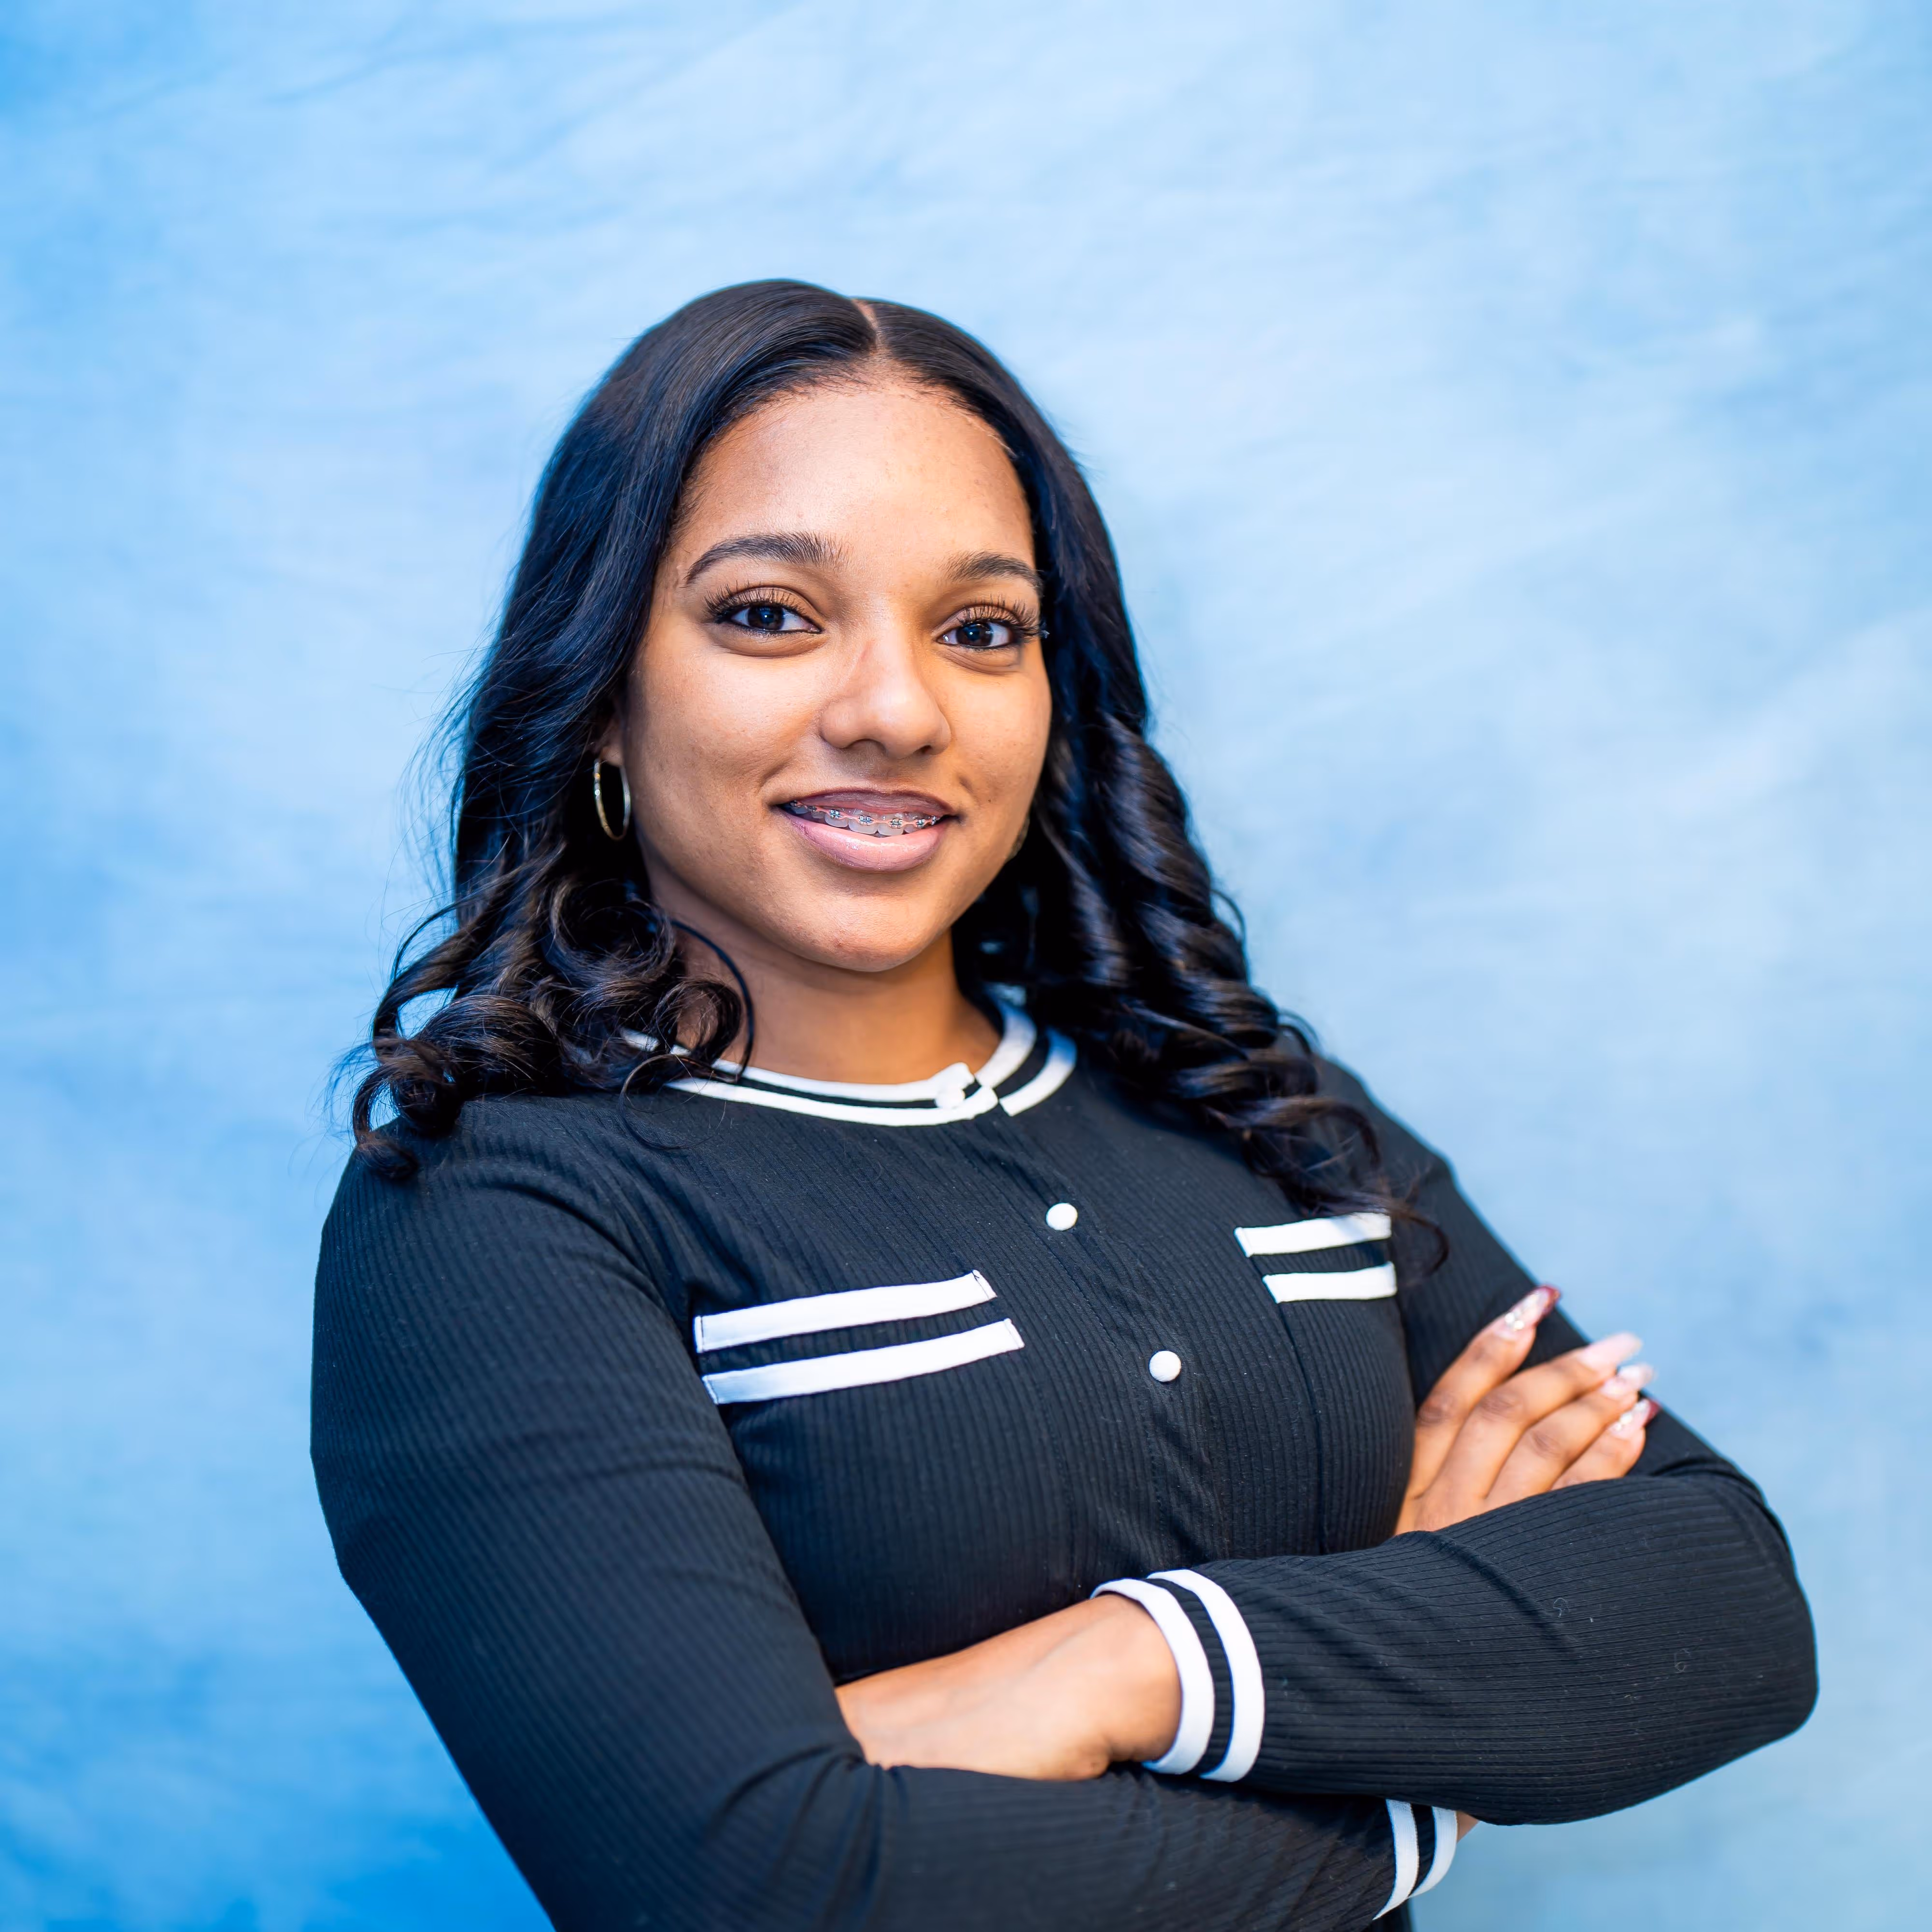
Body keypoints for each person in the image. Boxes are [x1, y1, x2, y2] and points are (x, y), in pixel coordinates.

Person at [311, 281, 1816, 1932]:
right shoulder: (494, 1215)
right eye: (767, 615)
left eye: (981, 629)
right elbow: (760, 1890)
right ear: (601, 689)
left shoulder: (1264, 1109)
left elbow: (1726, 1608)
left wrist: (1122, 1667)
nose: (897, 708)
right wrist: (1419, 1768)